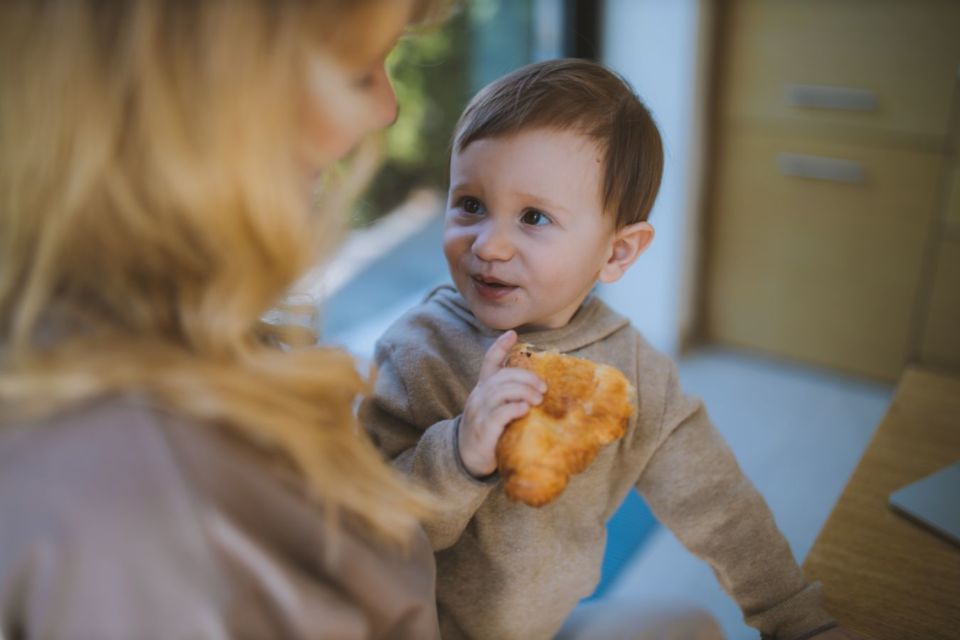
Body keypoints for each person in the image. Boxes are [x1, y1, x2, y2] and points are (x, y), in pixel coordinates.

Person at [360, 59, 861, 640]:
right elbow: (369, 537)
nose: (490, 245)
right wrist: (459, 454)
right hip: (414, 629)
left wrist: (794, 619)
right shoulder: (416, 351)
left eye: (533, 217)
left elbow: (719, 505)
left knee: (695, 627)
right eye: (470, 204)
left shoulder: (632, 374)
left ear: (617, 253)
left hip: (540, 627)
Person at [0, 1, 448, 638]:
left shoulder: (131, 340)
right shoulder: (145, 493)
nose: (386, 109)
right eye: (357, 71)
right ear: (198, 94)